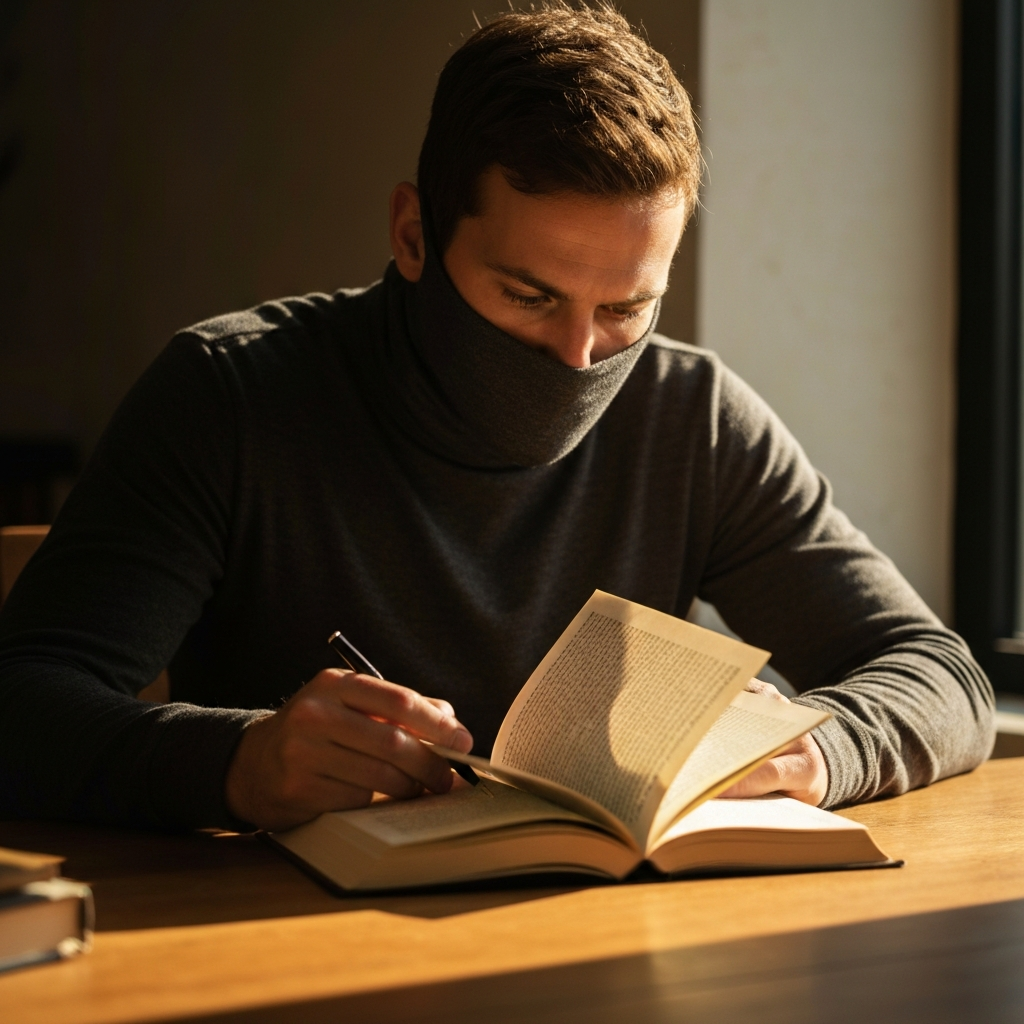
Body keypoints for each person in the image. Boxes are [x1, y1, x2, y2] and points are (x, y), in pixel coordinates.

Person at [0, 5, 993, 832]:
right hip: (282, 951)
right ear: (412, 234)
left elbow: (938, 674)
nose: (575, 357)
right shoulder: (229, 394)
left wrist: (811, 750)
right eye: (526, 295)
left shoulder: (690, 418)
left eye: (624, 310)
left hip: (607, 951)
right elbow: (24, 702)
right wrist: (237, 760)